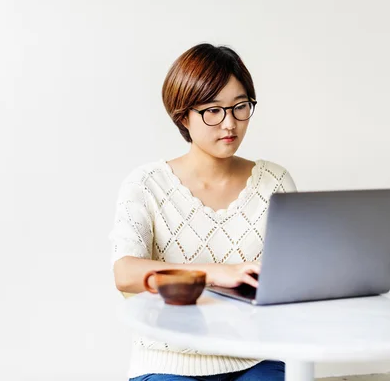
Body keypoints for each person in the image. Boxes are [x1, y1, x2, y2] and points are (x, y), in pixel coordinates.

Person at [109, 43, 296, 381]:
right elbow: (125, 272)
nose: (230, 124)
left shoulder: (274, 182)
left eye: (240, 106)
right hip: (166, 362)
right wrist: (217, 273)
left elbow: (293, 278)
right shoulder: (146, 184)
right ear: (183, 115)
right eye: (213, 110)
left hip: (255, 357)